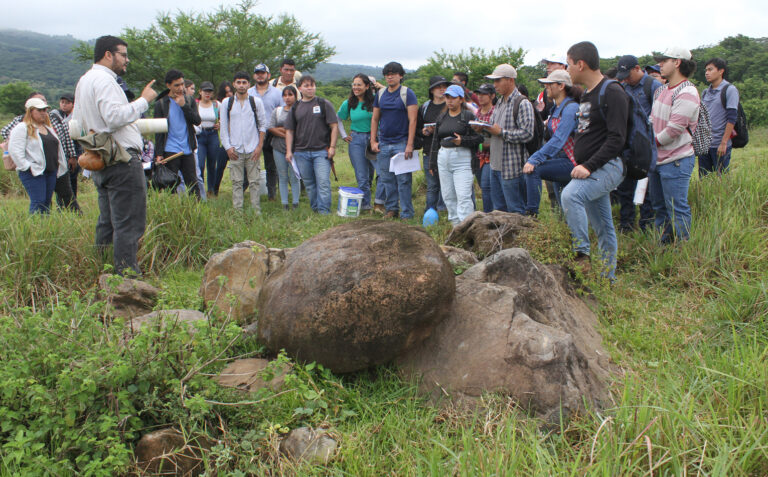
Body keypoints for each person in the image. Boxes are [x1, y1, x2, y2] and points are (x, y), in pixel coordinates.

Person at [72, 35, 158, 275]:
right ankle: (126, 278)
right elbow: (114, 117)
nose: (127, 60)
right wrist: (144, 101)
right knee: (129, 222)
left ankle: (101, 269)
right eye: (123, 54)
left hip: (100, 159)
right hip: (120, 159)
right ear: (108, 54)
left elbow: (77, 123)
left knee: (107, 221)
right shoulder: (106, 81)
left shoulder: (84, 81)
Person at [561, 41, 628, 280]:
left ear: (581, 64)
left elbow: (617, 138)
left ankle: (582, 256)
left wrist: (589, 165)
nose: (567, 69)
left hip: (609, 166)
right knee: (603, 226)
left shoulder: (612, 91)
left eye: (568, 64)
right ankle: (607, 278)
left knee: (570, 195)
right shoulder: (588, 94)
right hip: (592, 167)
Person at [649, 47, 700, 243]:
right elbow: (653, 120)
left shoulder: (687, 91)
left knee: (676, 208)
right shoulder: (661, 90)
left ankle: (683, 249)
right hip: (658, 159)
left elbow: (674, 129)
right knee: (660, 207)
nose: (660, 64)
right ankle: (663, 248)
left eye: (665, 60)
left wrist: (649, 144)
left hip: (677, 159)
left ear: (677, 62)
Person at [2, 92, 80, 212]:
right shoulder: (22, 127)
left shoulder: (48, 127)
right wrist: (27, 166)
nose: (43, 113)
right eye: (40, 110)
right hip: (34, 171)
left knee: (46, 202)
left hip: (51, 170)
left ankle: (44, 226)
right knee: (38, 201)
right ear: (31, 111)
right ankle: (34, 228)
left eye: (45, 110)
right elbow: (15, 151)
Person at [477, 63, 534, 214]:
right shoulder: (499, 103)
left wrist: (501, 132)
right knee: (499, 211)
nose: (495, 85)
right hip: (494, 165)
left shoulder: (522, 103)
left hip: (512, 168)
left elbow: (527, 134)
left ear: (510, 80)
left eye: (498, 80)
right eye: (494, 81)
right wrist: (483, 130)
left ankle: (520, 238)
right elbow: (495, 133)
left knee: (516, 211)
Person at [522, 70, 580, 216]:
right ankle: (569, 234)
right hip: (559, 158)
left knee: (534, 170)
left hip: (572, 160)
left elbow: (559, 139)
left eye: (549, 84)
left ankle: (531, 214)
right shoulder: (556, 108)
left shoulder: (571, 108)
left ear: (561, 86)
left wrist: (535, 158)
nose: (546, 87)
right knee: (565, 207)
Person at [615, 54, 662, 232]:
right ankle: (626, 225)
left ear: (637, 68)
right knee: (625, 188)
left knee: (646, 191)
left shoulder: (653, 86)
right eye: (623, 77)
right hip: (628, 146)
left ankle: (646, 226)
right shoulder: (624, 88)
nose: (626, 79)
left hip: (647, 147)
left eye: (628, 74)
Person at [429, 85, 483, 225]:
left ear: (461, 99)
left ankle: (467, 228)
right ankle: (456, 228)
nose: (450, 101)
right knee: (448, 195)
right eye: (447, 97)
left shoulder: (468, 116)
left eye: (453, 97)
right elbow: (435, 140)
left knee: (463, 195)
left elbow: (479, 138)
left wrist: (462, 141)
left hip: (462, 157)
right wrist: (432, 162)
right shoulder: (442, 117)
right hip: (443, 155)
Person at [370, 61, 418, 219]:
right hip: (384, 143)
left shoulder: (407, 93)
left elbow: (413, 120)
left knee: (403, 180)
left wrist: (409, 145)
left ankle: (406, 212)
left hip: (401, 143)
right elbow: (375, 119)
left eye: (393, 73)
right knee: (386, 179)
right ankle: (391, 209)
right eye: (387, 74)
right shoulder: (380, 94)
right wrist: (373, 140)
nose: (389, 76)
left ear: (401, 75)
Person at [285, 75, 339, 214]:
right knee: (309, 184)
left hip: (321, 151)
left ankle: (324, 211)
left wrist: (332, 147)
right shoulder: (296, 107)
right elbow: (289, 131)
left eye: (312, 85)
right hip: (301, 152)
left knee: (323, 182)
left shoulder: (323, 103)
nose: (310, 88)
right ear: (300, 88)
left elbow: (334, 126)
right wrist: (289, 151)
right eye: (307, 86)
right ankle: (315, 208)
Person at [219, 71, 267, 213]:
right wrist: (228, 147)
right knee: (237, 182)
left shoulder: (255, 102)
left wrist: (259, 146)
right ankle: (238, 211)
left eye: (244, 82)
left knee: (254, 182)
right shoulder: (226, 103)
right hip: (235, 149)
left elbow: (262, 125)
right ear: (234, 84)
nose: (241, 85)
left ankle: (256, 210)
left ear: (249, 84)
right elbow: (223, 127)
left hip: (252, 148)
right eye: (238, 82)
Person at [153, 69, 202, 198]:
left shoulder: (189, 100)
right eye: (176, 85)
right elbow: (158, 131)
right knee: (171, 185)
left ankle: (196, 212)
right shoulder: (161, 104)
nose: (180, 88)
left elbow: (197, 121)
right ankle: (174, 212)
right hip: (170, 149)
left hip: (187, 149)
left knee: (193, 184)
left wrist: (184, 106)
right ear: (168, 85)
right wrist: (158, 154)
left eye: (182, 84)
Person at [337, 74, 375, 211]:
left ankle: (377, 201)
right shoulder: (348, 103)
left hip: (373, 139)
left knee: (373, 173)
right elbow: (338, 119)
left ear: (367, 86)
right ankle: (365, 205)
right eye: (354, 84)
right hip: (356, 140)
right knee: (361, 175)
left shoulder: (375, 100)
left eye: (359, 84)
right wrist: (343, 135)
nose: (356, 87)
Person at [248, 63, 284, 201]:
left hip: (271, 132)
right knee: (251, 164)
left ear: (268, 75)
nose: (260, 75)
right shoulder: (249, 92)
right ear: (254, 75)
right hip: (253, 132)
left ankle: (271, 195)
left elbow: (282, 112)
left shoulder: (277, 93)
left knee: (271, 165)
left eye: (262, 73)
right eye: (257, 73)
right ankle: (252, 192)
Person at [699, 57, 740, 176]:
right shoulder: (705, 92)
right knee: (704, 181)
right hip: (705, 145)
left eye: (710, 69)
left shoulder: (729, 90)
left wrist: (724, 142)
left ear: (721, 71)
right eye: (706, 70)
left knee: (721, 180)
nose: (707, 73)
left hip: (720, 145)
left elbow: (732, 117)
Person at [420, 75, 450, 214]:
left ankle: (444, 210)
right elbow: (418, 128)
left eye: (444, 86)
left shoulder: (450, 105)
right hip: (429, 149)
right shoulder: (425, 107)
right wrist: (425, 131)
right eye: (438, 87)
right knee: (432, 184)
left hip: (447, 149)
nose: (442, 89)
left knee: (446, 183)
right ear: (431, 90)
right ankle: (430, 211)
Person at [268, 86, 301, 210]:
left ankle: (296, 202)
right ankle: (284, 203)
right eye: (285, 95)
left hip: (296, 148)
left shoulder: (299, 110)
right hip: (278, 147)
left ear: (295, 96)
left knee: (294, 175)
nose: (287, 98)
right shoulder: (277, 111)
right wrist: (287, 133)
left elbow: (300, 129)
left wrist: (286, 131)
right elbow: (270, 127)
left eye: (290, 95)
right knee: (282, 175)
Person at [50, 92, 82, 200]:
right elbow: (64, 127)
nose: (64, 105)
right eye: (62, 102)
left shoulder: (78, 115)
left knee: (73, 177)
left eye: (67, 103)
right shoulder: (55, 114)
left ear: (73, 104)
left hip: (76, 147)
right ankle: (64, 203)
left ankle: (73, 201)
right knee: (63, 178)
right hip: (63, 149)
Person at [194, 81, 220, 196]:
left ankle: (211, 189)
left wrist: (220, 124)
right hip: (200, 135)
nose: (207, 93)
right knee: (200, 163)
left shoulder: (216, 104)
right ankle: (201, 188)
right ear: (200, 92)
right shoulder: (195, 104)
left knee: (212, 163)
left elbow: (223, 117)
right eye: (205, 91)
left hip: (212, 134)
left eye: (209, 91)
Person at [473, 83, 495, 212]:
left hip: (491, 156)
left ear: (492, 96)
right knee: (483, 186)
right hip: (479, 155)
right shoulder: (477, 113)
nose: (480, 97)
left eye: (484, 94)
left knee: (487, 187)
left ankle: (489, 216)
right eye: (479, 94)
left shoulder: (495, 112)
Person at [211, 81, 234, 195]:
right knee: (219, 167)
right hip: (222, 141)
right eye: (226, 92)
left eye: (230, 91)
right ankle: (215, 189)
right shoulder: (218, 106)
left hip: (235, 140)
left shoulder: (235, 103)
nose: (229, 94)